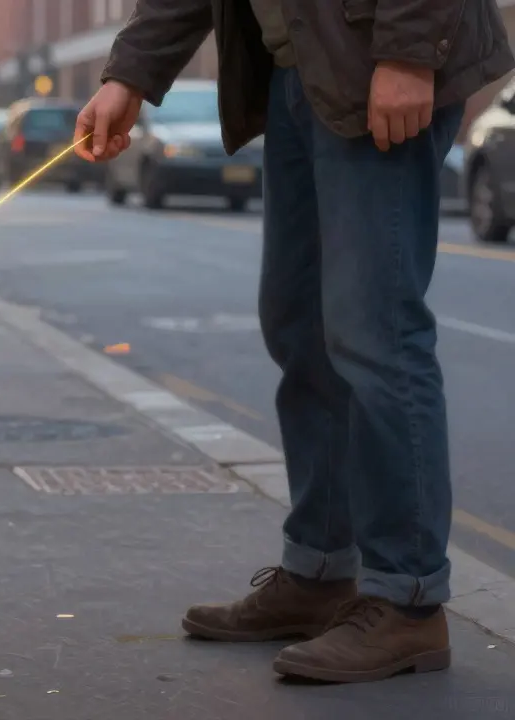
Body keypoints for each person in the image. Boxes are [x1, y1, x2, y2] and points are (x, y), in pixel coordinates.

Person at [75, 0, 513, 684]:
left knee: (376, 332)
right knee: (299, 326)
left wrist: (408, 52)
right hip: (301, 73)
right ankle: (319, 573)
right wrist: (128, 75)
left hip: (379, 63)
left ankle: (409, 598)